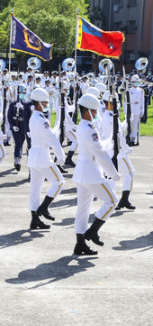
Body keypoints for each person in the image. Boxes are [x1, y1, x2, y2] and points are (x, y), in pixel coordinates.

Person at [72, 94, 120, 255]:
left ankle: (80, 244)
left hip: (81, 173)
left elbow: (97, 146)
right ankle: (93, 231)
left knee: (83, 208)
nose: (96, 113)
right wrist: (113, 173)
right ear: (87, 111)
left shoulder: (82, 126)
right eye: (94, 111)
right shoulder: (90, 130)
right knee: (112, 201)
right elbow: (100, 154)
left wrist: (110, 140)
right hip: (92, 173)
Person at [27, 88, 65, 230]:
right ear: (39, 103)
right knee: (60, 182)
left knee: (35, 190)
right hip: (43, 157)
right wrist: (60, 155)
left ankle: (35, 219)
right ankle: (44, 207)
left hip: (33, 157)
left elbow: (46, 135)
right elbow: (51, 139)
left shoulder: (34, 117)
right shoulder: (41, 119)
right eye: (45, 102)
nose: (46, 105)